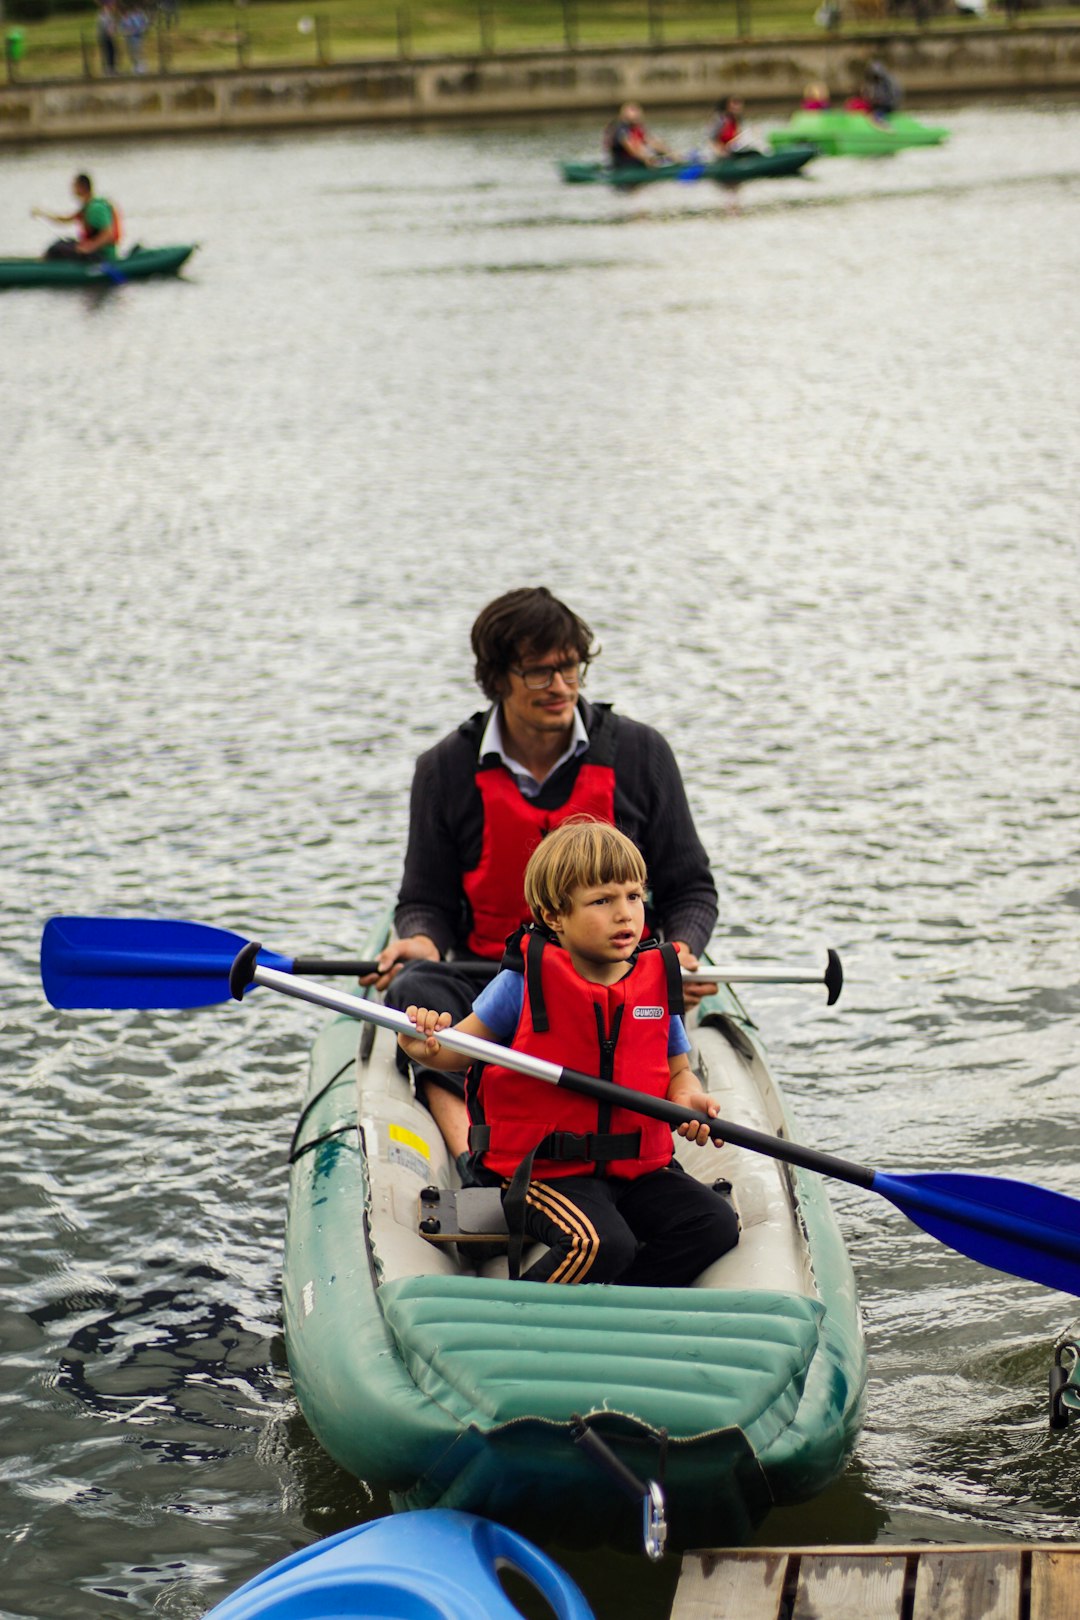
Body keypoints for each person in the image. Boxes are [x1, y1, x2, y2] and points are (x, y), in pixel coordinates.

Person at [370, 586, 719, 1173]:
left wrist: (678, 953)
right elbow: (425, 899)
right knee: (416, 990)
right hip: (490, 974)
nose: (560, 686)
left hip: (614, 974)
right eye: (538, 672)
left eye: (571, 667)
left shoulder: (641, 752)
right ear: (496, 678)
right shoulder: (443, 769)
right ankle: (468, 1158)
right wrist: (421, 941)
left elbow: (691, 889)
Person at [398, 819, 740, 1286]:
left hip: (638, 1169)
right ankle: (521, 1316)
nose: (625, 914)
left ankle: (626, 1306)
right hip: (545, 1171)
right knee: (596, 1242)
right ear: (554, 915)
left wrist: (688, 1098)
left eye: (634, 897)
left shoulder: (656, 982)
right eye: (602, 901)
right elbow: (460, 1053)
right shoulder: (521, 984)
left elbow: (679, 1071)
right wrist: (425, 1046)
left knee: (713, 1224)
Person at [33, 174, 121, 262]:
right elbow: (66, 220)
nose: (72, 189)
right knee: (61, 243)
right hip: (94, 251)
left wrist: (89, 247)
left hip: (102, 255)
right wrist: (43, 214)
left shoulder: (95, 209)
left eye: (74, 185)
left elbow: (108, 234)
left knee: (56, 250)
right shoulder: (88, 206)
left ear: (82, 187)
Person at [602, 102, 677, 170]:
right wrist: (648, 159)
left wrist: (670, 153)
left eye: (637, 111)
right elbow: (632, 147)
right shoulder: (621, 128)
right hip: (623, 165)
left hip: (637, 161)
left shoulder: (637, 127)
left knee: (664, 153)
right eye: (632, 111)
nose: (637, 114)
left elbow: (652, 142)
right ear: (624, 114)